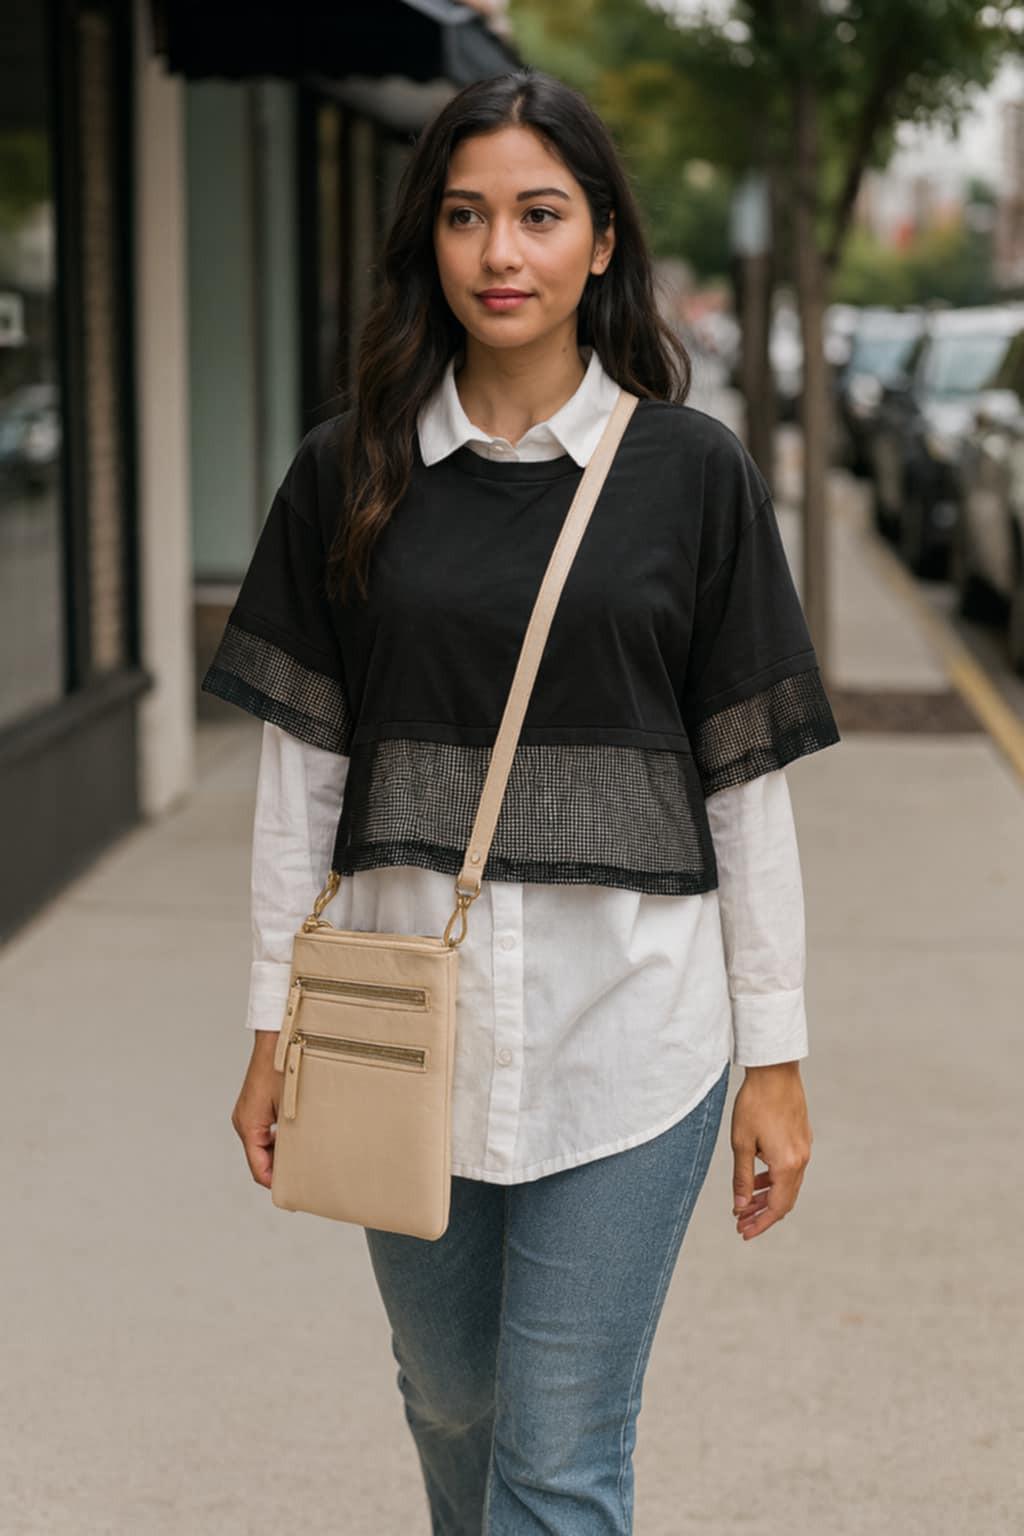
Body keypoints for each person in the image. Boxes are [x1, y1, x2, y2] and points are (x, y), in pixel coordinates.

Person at [201, 67, 840, 1536]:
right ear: (427, 239)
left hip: (635, 1036)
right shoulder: (347, 472)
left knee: (556, 1461)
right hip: (391, 1035)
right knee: (453, 1406)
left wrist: (779, 1058)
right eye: (468, 216)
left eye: (541, 216)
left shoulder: (694, 477)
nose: (503, 254)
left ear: (602, 242)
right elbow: (300, 783)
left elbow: (744, 788)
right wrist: (266, 1031)